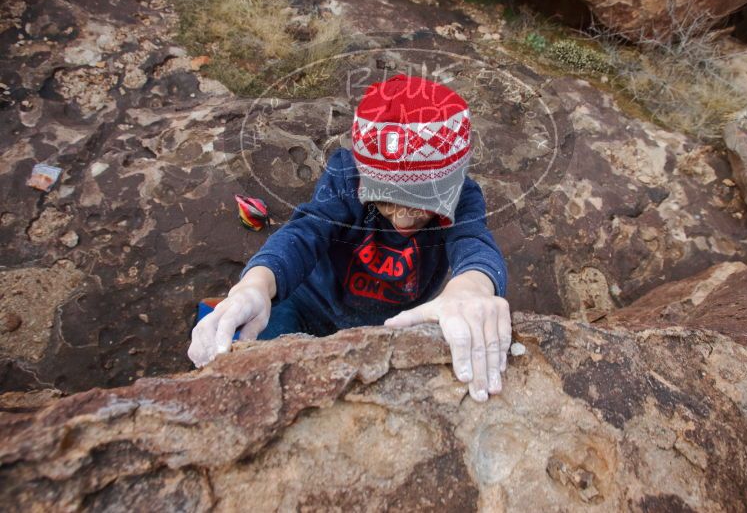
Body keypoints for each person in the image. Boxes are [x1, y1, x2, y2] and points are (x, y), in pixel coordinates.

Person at [188, 73, 511, 402]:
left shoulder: (462, 197)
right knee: (245, 360)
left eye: (422, 203)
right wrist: (256, 284)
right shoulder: (346, 178)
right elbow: (306, 232)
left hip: (391, 325)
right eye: (385, 200)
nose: (403, 218)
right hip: (309, 304)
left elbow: (474, 243)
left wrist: (471, 288)